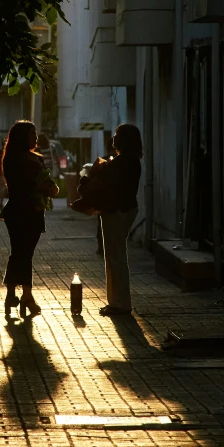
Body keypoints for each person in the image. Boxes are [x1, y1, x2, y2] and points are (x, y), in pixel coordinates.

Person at [0, 120, 59, 317]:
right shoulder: (17, 159)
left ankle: (13, 295)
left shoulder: (27, 158)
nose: (35, 137)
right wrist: (42, 187)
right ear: (22, 137)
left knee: (19, 253)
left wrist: (49, 188)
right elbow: (22, 186)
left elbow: (45, 183)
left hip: (27, 211)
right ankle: (26, 296)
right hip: (24, 211)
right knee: (23, 254)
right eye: (32, 134)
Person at [92, 124, 142, 316]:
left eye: (117, 135)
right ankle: (116, 302)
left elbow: (103, 181)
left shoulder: (122, 161)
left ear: (124, 140)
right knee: (115, 256)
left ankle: (120, 303)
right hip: (124, 209)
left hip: (116, 211)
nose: (113, 138)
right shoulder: (131, 160)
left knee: (116, 257)